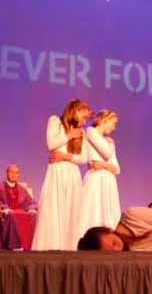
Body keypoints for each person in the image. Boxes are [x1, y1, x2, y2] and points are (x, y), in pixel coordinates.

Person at [32, 99, 91, 250]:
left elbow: (84, 158)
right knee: (54, 210)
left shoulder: (81, 132)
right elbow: (51, 144)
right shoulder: (55, 121)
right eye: (83, 117)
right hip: (57, 173)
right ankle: (51, 247)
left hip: (72, 174)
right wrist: (68, 135)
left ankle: (69, 247)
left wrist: (66, 157)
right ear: (75, 111)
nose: (84, 122)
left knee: (71, 212)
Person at [79, 110, 121, 234]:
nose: (114, 127)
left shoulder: (108, 141)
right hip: (96, 179)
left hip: (108, 180)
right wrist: (110, 147)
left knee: (108, 215)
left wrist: (103, 164)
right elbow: (106, 153)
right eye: (113, 123)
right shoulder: (90, 131)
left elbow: (117, 169)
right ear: (104, 120)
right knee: (92, 212)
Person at [0, 163, 37, 250]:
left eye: (16, 173)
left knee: (33, 216)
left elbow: (31, 202)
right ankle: (14, 247)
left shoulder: (22, 189)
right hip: (6, 214)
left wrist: (31, 209)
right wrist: (3, 207)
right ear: (7, 173)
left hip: (21, 213)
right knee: (11, 216)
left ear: (18, 175)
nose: (14, 175)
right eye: (11, 172)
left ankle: (28, 247)